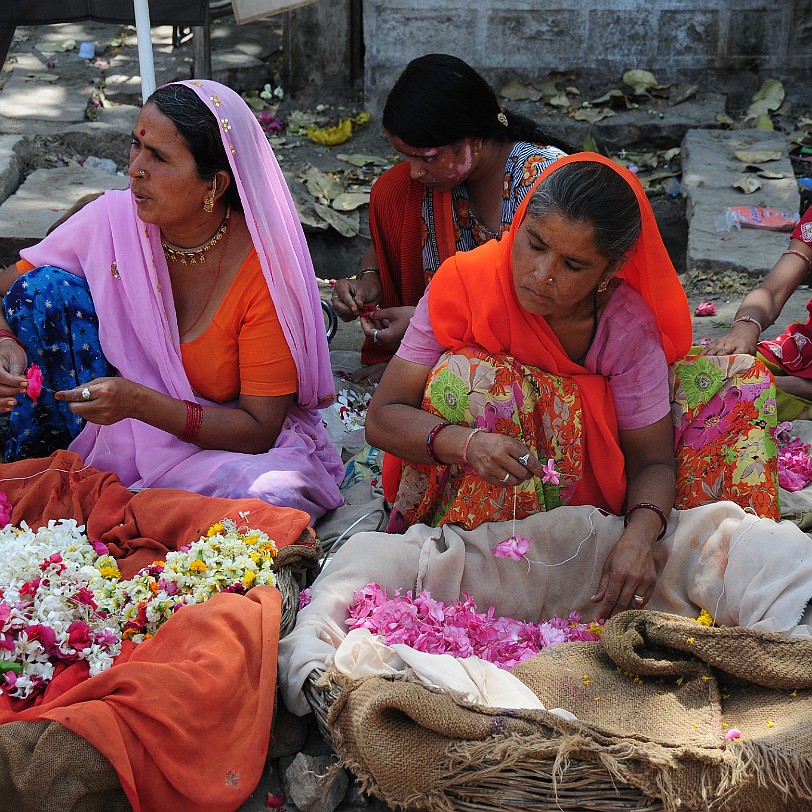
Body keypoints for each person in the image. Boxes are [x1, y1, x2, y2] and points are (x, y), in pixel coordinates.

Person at [366, 154, 779, 622]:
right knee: (474, 379)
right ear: (518, 223)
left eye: (573, 264)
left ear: (610, 269)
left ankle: (695, 572)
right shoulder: (464, 283)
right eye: (535, 244)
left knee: (740, 385)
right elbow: (383, 416)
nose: (542, 275)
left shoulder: (625, 327)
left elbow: (653, 460)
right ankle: (483, 576)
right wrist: (466, 443)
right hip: (493, 484)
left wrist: (639, 537)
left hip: (604, 488)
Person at [0, 80, 344, 522]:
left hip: (213, 446)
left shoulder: (264, 271)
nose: (135, 170)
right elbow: (6, 287)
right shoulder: (111, 221)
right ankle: (77, 480)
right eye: (135, 147)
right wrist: (6, 337)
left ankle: (111, 501)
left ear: (215, 185)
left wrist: (141, 404)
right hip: (105, 430)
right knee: (40, 291)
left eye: (159, 158)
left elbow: (259, 430)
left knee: (272, 492)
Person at [331, 54, 572, 383]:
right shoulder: (430, 186)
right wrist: (371, 280)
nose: (416, 172)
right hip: (453, 347)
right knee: (391, 188)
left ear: (472, 140)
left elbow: (560, 305)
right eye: (407, 156)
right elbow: (389, 246)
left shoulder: (544, 183)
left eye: (427, 157)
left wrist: (427, 326)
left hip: (542, 355)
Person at [704, 206, 812, 421]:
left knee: (730, 398)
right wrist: (744, 329)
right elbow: (772, 290)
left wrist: (783, 384)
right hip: (803, 354)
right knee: (694, 371)